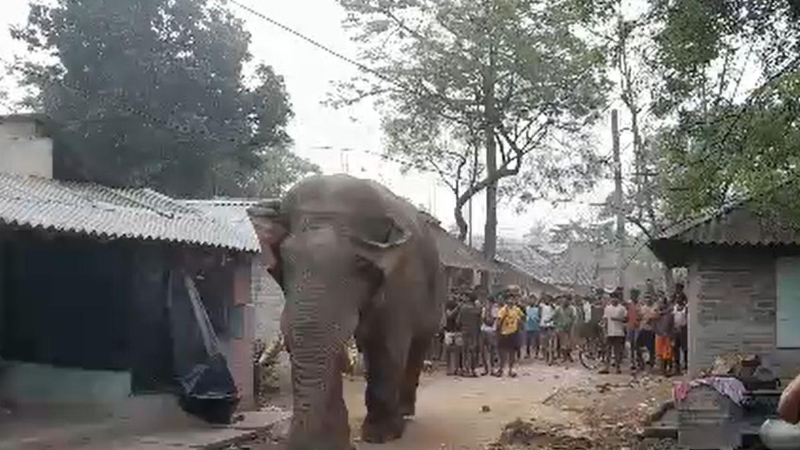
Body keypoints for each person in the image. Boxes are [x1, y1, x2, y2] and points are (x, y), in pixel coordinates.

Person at [495, 288, 524, 377]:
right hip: (504, 333)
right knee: (502, 352)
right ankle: (501, 369)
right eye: (509, 299)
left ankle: (511, 369)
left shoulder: (517, 310)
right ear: (506, 300)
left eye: (513, 299)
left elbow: (522, 318)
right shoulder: (503, 310)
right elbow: (499, 321)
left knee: (512, 352)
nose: (511, 301)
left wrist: (520, 327)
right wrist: (498, 332)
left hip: (513, 332)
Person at [601, 290, 627, 374]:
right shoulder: (607, 308)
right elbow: (605, 318)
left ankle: (617, 367)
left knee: (617, 351)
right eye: (612, 298)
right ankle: (606, 368)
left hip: (619, 332)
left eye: (615, 298)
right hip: (609, 331)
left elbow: (626, 319)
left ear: (618, 299)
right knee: (608, 350)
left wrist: (617, 319)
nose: (614, 300)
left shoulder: (622, 308)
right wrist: (603, 327)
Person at [459, 291, 483, 377]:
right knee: (473, 351)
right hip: (474, 332)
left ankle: (465, 369)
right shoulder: (477, 310)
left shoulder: (463, 308)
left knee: (465, 351)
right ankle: (473, 369)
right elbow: (480, 322)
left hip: (464, 331)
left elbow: (458, 321)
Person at [654, 298, 675, 376]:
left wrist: (671, 337)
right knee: (660, 354)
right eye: (659, 304)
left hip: (668, 337)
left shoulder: (670, 315)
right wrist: (658, 332)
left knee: (668, 354)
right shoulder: (657, 314)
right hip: (659, 336)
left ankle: (669, 369)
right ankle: (662, 370)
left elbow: (672, 326)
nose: (660, 305)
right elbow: (654, 325)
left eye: (662, 303)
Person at [444, 297, 463, 375]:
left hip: (458, 330)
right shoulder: (449, 304)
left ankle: (457, 368)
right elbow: (449, 315)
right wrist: (457, 308)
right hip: (449, 330)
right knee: (448, 349)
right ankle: (449, 368)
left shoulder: (462, 306)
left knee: (458, 350)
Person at [480, 296, 499, 376]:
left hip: (491, 330)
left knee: (491, 350)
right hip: (484, 330)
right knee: (483, 351)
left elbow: (491, 321)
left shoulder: (495, 309)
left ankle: (492, 369)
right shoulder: (484, 309)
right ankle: (486, 368)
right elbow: (482, 319)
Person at [638, 296, 657, 370]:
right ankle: (641, 362)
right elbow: (639, 316)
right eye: (647, 297)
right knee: (638, 346)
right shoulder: (642, 308)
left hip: (651, 330)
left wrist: (650, 318)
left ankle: (651, 362)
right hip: (643, 329)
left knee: (651, 348)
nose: (648, 299)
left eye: (649, 298)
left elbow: (655, 316)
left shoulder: (654, 308)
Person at [672, 284, 688, 374]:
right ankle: (677, 366)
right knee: (675, 348)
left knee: (685, 348)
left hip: (683, 330)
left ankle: (686, 365)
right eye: (677, 298)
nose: (678, 299)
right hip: (675, 330)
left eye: (680, 298)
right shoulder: (674, 307)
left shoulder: (686, 308)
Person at [626, 289, 642, 371]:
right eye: (632, 295)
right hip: (630, 326)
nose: (633, 296)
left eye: (635, 295)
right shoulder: (628, 304)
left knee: (637, 343)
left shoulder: (640, 304)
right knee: (631, 344)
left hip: (638, 326)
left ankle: (639, 360)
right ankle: (633, 361)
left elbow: (642, 314)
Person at [539, 295, 556, 363]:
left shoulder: (553, 306)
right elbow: (539, 313)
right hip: (543, 325)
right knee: (544, 342)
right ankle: (545, 356)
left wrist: (552, 304)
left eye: (548, 299)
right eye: (546, 299)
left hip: (551, 326)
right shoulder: (542, 306)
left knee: (551, 342)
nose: (547, 301)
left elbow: (555, 309)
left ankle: (551, 357)